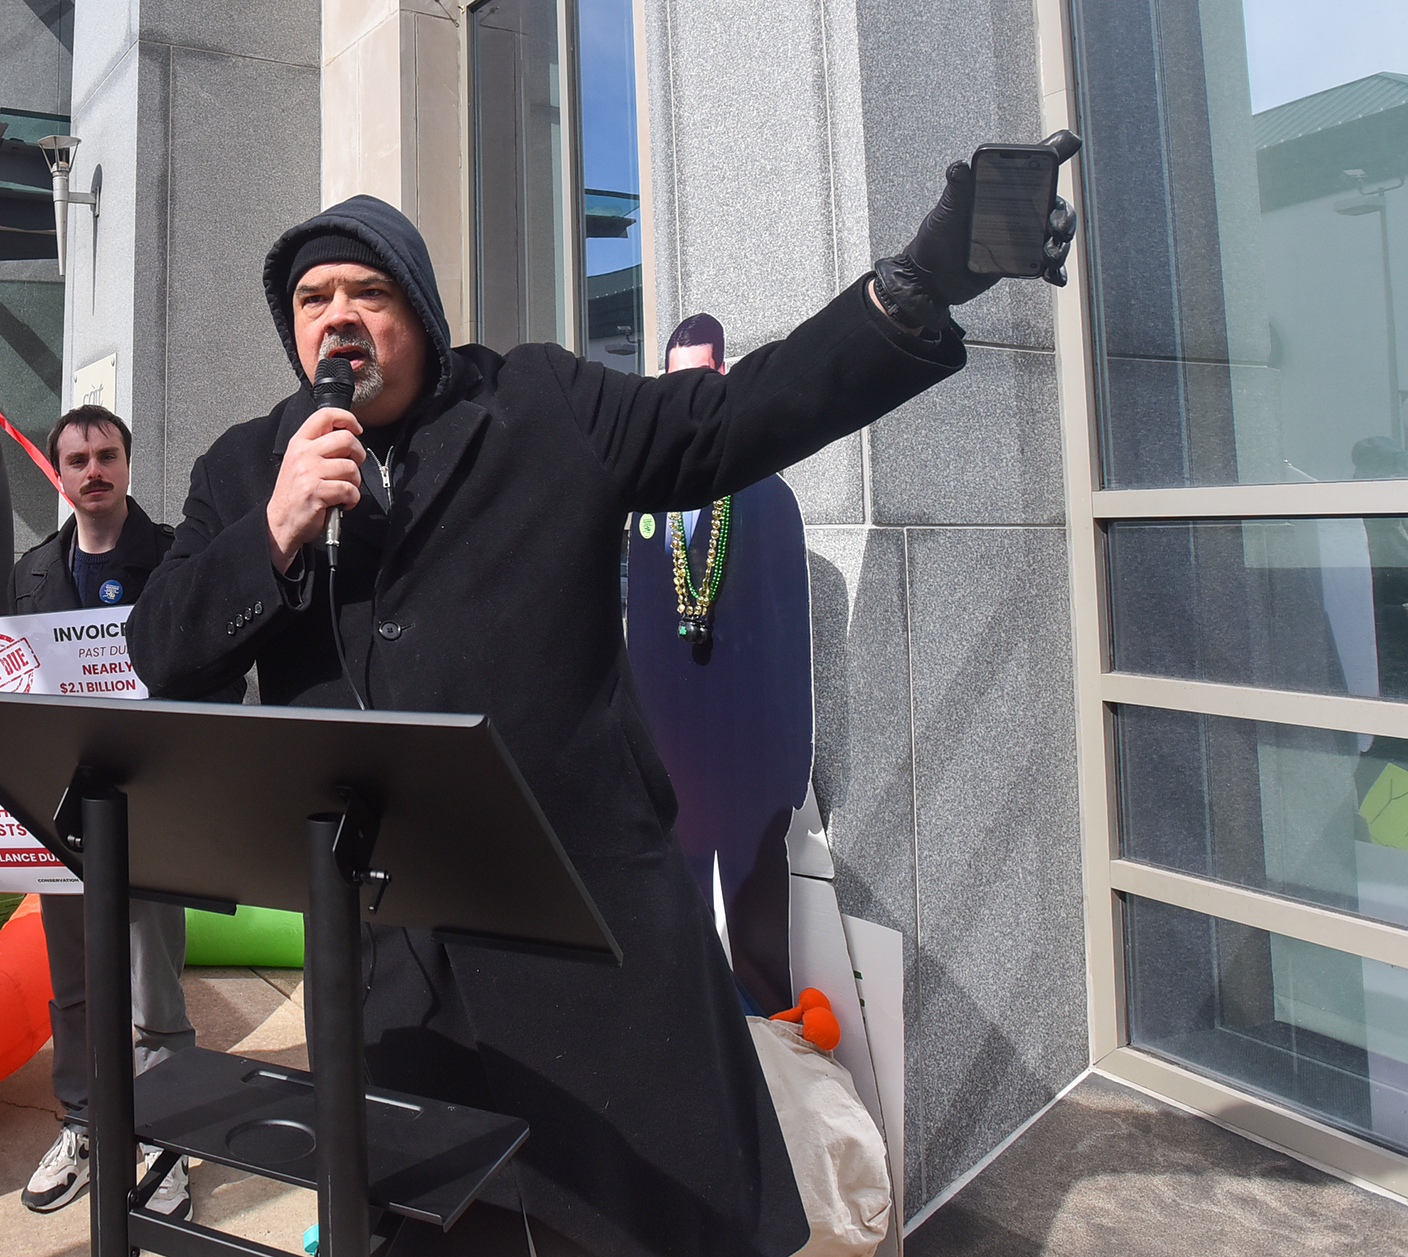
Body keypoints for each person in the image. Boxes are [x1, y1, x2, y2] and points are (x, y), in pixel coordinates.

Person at [127, 169, 1073, 1256]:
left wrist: (910, 292)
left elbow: (729, 420)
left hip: (590, 942)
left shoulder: (539, 404)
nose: (337, 313)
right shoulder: (248, 466)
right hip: (398, 966)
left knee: (642, 1228)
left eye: (367, 290)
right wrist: (275, 531)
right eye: (312, 298)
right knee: (438, 1225)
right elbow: (163, 654)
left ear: (421, 315)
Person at [10, 405, 196, 1219]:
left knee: (154, 983)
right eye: (77, 458)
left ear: (127, 462)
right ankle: (86, 1122)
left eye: (107, 455)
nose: (93, 470)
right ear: (59, 471)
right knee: (76, 981)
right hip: (61, 807)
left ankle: (166, 1137)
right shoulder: (30, 572)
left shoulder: (174, 558)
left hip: (150, 801)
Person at [625, 314, 815, 1018]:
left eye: (700, 380)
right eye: (674, 383)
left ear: (725, 377)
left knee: (759, 936)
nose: (687, 398)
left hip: (748, 769)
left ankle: (776, 1063)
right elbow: (640, 634)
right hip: (674, 765)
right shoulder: (651, 503)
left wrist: (790, 766)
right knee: (673, 931)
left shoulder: (768, 497)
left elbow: (788, 635)